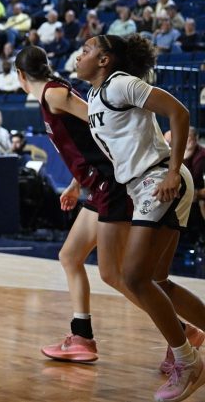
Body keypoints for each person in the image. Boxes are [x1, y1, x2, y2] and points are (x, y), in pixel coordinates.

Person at [74, 34, 205, 402]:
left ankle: (187, 361)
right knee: (159, 281)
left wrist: (174, 171)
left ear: (105, 60)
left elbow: (179, 112)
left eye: (87, 50)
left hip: (159, 177)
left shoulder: (121, 83)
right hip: (141, 185)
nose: (79, 54)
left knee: (133, 276)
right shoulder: (96, 97)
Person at [13, 46, 142, 363]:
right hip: (98, 186)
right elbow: (85, 144)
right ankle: (82, 336)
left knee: (117, 274)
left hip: (111, 184)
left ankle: (181, 330)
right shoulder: (50, 96)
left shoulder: (54, 94)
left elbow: (102, 122)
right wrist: (75, 184)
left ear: (19, 75)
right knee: (70, 256)